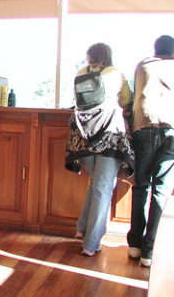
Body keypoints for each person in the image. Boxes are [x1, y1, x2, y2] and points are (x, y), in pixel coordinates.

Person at [65, 43, 134, 257]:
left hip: (82, 135)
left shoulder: (80, 73)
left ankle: (82, 228)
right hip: (108, 133)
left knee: (95, 182)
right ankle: (91, 243)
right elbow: (126, 100)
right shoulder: (116, 73)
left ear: (89, 56)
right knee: (103, 187)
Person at [127, 35, 174, 268]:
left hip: (144, 126)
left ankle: (134, 244)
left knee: (141, 186)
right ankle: (149, 250)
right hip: (171, 130)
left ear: (155, 49)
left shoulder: (143, 65)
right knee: (161, 190)